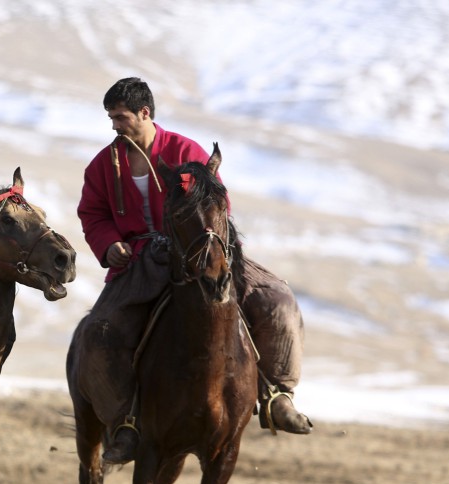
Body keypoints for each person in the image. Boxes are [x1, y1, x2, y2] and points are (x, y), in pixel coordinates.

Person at [77, 77, 312, 462]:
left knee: (277, 300)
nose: (115, 126)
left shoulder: (186, 151)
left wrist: (196, 245)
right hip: (138, 260)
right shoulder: (104, 164)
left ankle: (277, 395)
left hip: (200, 254)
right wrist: (108, 245)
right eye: (111, 118)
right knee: (98, 332)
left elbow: (217, 206)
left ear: (145, 113)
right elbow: (92, 213)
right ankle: (125, 423)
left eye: (120, 117)